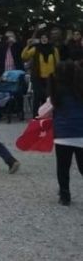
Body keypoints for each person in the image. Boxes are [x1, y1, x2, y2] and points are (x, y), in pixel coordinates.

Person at [48, 61, 83, 206]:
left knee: (63, 167)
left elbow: (44, 111)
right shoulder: (80, 89)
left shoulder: (56, 91)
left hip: (62, 135)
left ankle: (65, 196)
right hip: (81, 133)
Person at [22, 32, 60, 109]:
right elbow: (24, 56)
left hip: (50, 78)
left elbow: (58, 62)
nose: (44, 39)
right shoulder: (36, 49)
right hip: (38, 77)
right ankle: (36, 116)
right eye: (42, 38)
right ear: (40, 39)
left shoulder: (54, 49)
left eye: (45, 37)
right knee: (37, 97)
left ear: (48, 39)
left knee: (49, 98)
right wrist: (28, 45)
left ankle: (49, 116)